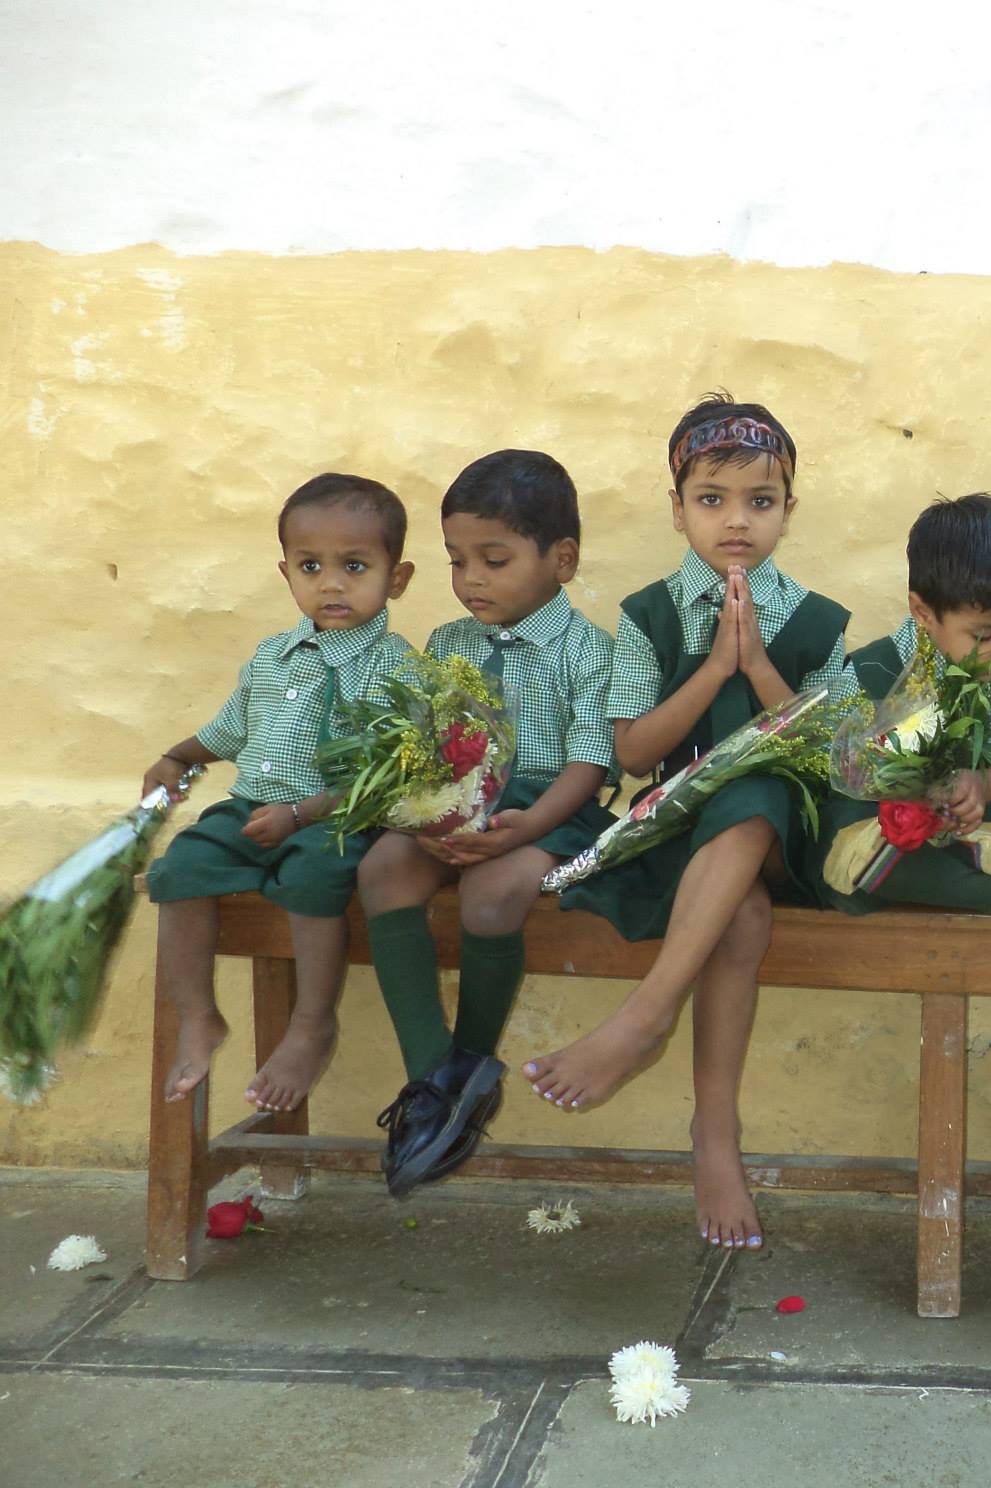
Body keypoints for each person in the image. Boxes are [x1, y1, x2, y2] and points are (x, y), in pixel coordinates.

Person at [525, 394, 854, 1250]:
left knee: (756, 790)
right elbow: (635, 754)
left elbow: (839, 761)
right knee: (739, 915)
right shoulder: (649, 616)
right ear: (677, 510)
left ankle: (644, 1018)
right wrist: (713, 669)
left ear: (788, 509)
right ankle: (715, 1134)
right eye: (712, 499)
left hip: (787, 838)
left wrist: (761, 667)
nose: (736, 520)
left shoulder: (819, 622)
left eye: (760, 500)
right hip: (676, 839)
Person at [361, 449, 616, 1197]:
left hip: (551, 810)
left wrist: (527, 825)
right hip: (457, 806)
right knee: (382, 869)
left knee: (493, 893)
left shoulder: (590, 651)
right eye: (456, 560)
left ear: (561, 559)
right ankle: (436, 1081)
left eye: (494, 560)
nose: (471, 578)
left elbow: (589, 764)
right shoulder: (447, 644)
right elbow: (429, 743)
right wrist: (428, 815)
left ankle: (469, 1060)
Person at [145, 472, 415, 1113]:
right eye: (310, 566)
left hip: (335, 818)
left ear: (397, 578)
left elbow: (390, 773)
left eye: (354, 566)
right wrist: (176, 757)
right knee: (179, 868)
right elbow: (228, 729)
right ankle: (199, 1016)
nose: (331, 584)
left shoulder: (397, 666)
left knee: (314, 874)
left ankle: (312, 1023)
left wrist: (302, 813)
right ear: (286, 572)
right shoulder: (273, 655)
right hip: (251, 810)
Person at [811, 493, 991, 914]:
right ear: (923, 612)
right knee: (850, 848)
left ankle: (954, 872)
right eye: (985, 636)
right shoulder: (874, 672)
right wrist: (914, 796)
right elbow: (837, 770)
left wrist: (982, 785)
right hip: (895, 824)